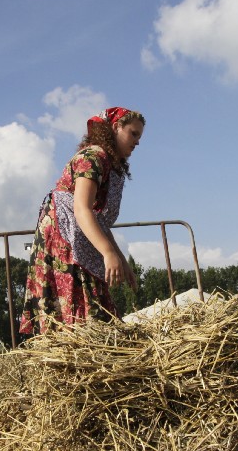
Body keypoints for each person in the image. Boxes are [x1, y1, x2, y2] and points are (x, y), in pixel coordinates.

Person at [20, 107, 145, 336]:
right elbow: (82, 209)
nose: (137, 142)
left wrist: (121, 260)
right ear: (116, 128)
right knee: (76, 308)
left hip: (79, 232)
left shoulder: (109, 164)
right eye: (133, 133)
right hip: (63, 234)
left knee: (94, 310)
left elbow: (99, 220)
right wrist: (107, 253)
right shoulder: (93, 157)